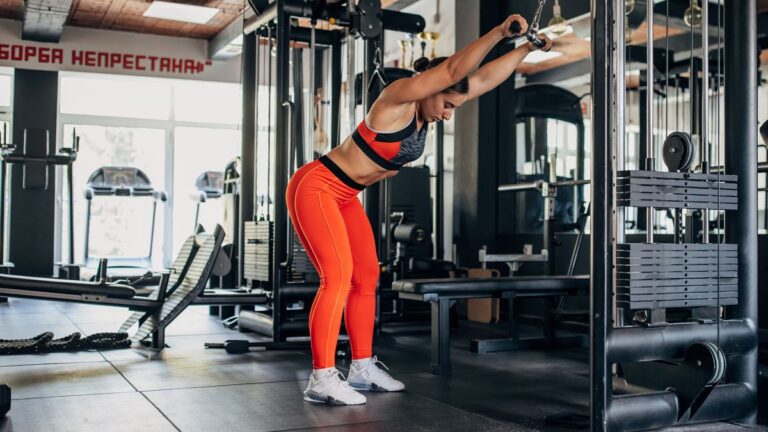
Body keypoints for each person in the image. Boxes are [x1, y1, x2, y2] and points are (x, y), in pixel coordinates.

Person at [286, 14, 553, 406]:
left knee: (366, 276)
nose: (448, 114)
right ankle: (322, 376)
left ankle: (361, 366)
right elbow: (452, 69)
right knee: (338, 277)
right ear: (433, 89)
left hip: (345, 195)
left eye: (453, 108)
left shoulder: (432, 110)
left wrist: (527, 48)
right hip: (317, 186)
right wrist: (499, 33)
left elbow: (481, 80)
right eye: (446, 103)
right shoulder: (397, 100)